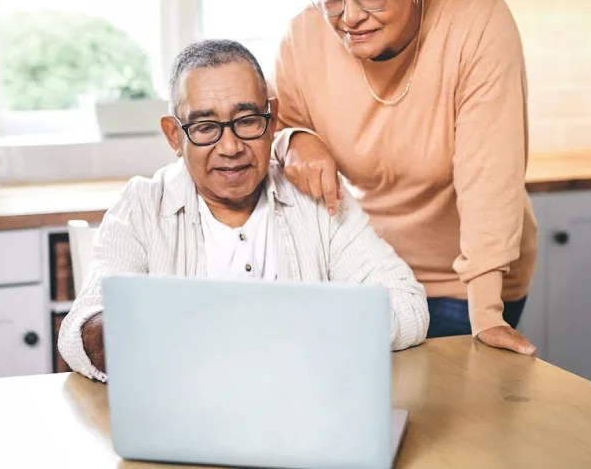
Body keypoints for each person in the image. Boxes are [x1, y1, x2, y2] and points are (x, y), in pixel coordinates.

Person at [58, 39, 430, 382]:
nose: (231, 146)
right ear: (174, 136)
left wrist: (297, 325)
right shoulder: (140, 207)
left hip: (307, 412)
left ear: (272, 120)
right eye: (205, 127)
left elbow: (409, 308)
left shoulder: (318, 196)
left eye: (248, 120)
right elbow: (81, 332)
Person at [271, 0, 537, 355]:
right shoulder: (304, 36)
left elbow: (489, 174)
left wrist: (486, 314)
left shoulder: (476, 20)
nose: (349, 17)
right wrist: (295, 140)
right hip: (372, 272)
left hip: (467, 280)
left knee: (461, 420)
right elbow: (279, 134)